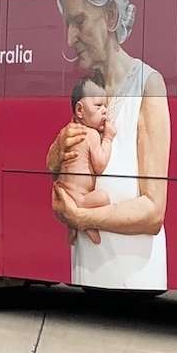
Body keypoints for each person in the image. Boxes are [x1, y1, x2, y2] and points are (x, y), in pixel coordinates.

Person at [45, 0, 170, 290]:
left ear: (111, 14)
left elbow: (153, 210)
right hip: (88, 272)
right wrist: (57, 155)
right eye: (67, 24)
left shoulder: (148, 85)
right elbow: (69, 173)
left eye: (79, 21)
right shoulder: (88, 91)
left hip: (135, 278)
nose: (70, 38)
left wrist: (81, 217)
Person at [57, 75, 115, 246]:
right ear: (80, 110)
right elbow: (100, 165)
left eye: (106, 106)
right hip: (80, 198)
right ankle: (85, 223)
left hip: (65, 192)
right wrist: (108, 138)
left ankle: (72, 229)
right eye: (98, 105)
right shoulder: (91, 134)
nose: (105, 111)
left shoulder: (69, 131)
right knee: (103, 197)